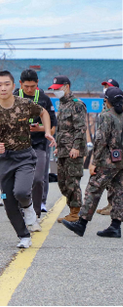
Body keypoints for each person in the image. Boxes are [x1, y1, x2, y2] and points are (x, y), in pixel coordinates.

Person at [0, 71, 55, 249]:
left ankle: (29, 207)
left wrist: (47, 131)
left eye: (7, 84)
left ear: (14, 86)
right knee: (8, 201)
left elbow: (44, 113)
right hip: (4, 159)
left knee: (21, 192)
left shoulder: (24, 104)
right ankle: (23, 236)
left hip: (25, 157)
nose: (3, 88)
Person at [63, 87, 123, 238]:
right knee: (118, 191)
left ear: (106, 101)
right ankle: (115, 226)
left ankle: (81, 223)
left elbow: (101, 140)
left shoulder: (106, 115)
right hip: (121, 160)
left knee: (93, 189)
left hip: (107, 160)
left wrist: (93, 162)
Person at [14, 69, 57, 224]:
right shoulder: (12, 97)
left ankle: (36, 213)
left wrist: (41, 129)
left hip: (38, 144)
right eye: (26, 86)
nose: (30, 89)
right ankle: (20, 209)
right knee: (17, 180)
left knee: (38, 179)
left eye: (33, 86)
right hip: (17, 145)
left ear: (37, 83)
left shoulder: (44, 99)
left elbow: (52, 127)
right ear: (20, 84)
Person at [48, 76, 87, 223]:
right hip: (64, 150)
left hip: (73, 151)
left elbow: (80, 128)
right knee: (62, 182)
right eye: (54, 89)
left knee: (72, 182)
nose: (55, 92)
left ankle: (75, 213)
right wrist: (58, 146)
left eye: (58, 89)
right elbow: (62, 129)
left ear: (67, 86)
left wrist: (76, 147)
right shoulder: (62, 104)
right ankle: (72, 210)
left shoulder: (77, 105)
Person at [96, 78, 119, 216]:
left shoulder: (118, 106)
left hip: (115, 148)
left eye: (107, 86)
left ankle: (114, 206)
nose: (104, 88)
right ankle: (111, 204)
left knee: (114, 179)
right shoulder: (106, 105)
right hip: (106, 148)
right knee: (110, 180)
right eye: (104, 86)